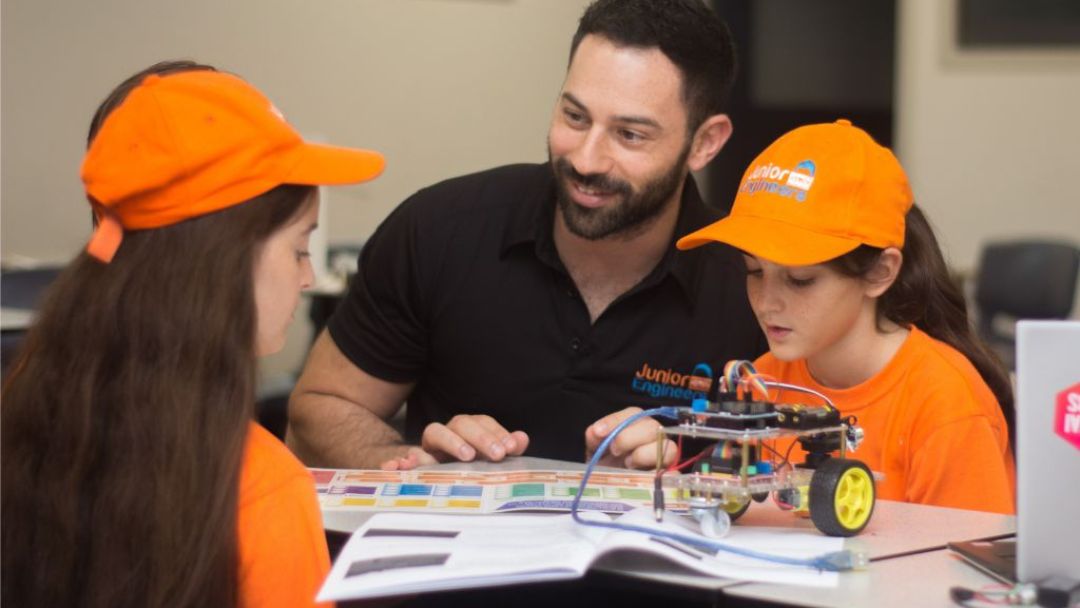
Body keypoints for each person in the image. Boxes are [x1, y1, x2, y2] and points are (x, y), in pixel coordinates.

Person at [287, 0, 766, 471]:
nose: (585, 160)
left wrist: (691, 471)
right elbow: (318, 409)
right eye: (575, 117)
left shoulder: (754, 285)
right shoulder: (441, 230)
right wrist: (413, 464)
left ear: (704, 143)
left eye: (630, 135)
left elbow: (797, 470)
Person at [0, 61, 385, 607]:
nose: (307, 277)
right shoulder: (261, 491)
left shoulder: (21, 418)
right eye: (300, 248)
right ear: (225, 265)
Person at [676, 120, 1016, 514]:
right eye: (754, 272)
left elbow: (968, 567)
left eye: (800, 280)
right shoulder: (763, 380)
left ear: (879, 273)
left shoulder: (946, 404)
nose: (767, 302)